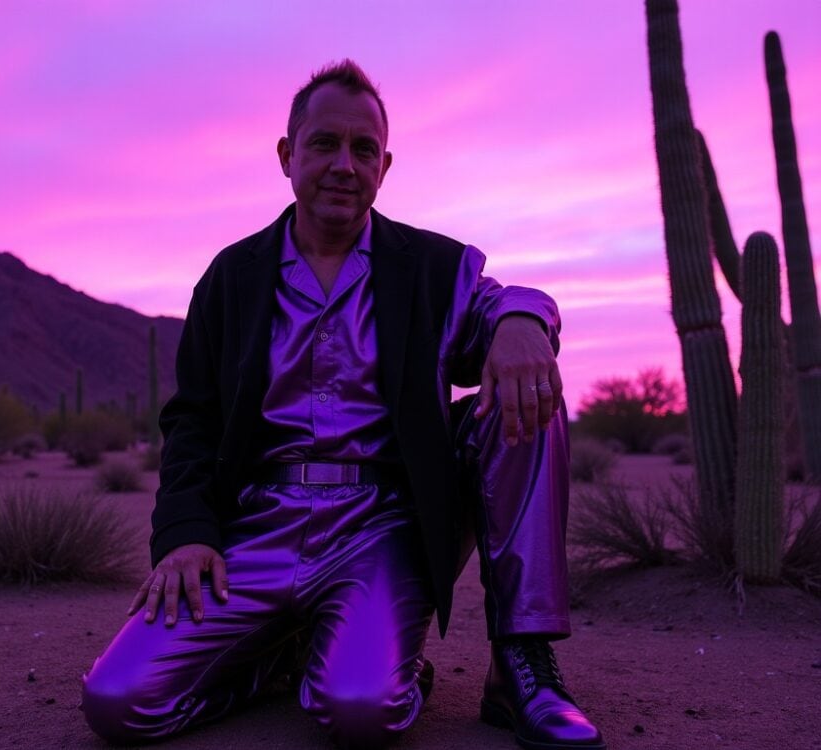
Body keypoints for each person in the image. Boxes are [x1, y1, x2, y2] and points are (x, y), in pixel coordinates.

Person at [81, 59, 604, 750]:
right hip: (254, 531)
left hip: (379, 528)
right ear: (286, 155)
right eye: (324, 143)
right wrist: (185, 535)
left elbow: (504, 302)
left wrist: (524, 322)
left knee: (360, 713)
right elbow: (193, 422)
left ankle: (522, 665)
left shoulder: (432, 268)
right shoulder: (232, 277)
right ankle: (273, 660)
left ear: (384, 167)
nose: (343, 165)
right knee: (117, 704)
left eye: (363, 150)